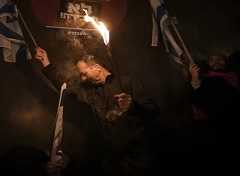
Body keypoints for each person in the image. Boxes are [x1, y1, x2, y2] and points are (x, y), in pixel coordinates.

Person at [35, 47, 160, 176]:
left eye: (84, 73)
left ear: (97, 68)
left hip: (139, 159)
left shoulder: (127, 82)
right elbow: (63, 86)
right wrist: (46, 63)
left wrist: (132, 105)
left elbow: (153, 111)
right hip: (111, 162)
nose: (82, 78)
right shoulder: (87, 91)